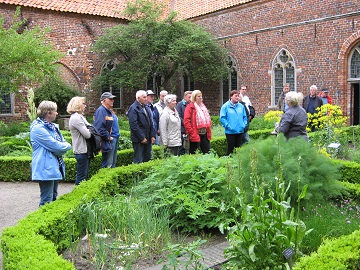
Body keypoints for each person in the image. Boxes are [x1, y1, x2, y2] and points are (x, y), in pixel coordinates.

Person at [30, 101, 72, 206]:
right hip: (45, 168)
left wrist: (62, 146)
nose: (57, 113)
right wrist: (67, 146)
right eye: (55, 111)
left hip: (53, 166)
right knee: (46, 200)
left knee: (53, 197)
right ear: (48, 113)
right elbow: (56, 146)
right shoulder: (38, 129)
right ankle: (41, 222)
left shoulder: (53, 127)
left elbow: (60, 144)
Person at [67, 96, 92, 185]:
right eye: (83, 104)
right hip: (81, 150)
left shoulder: (80, 117)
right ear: (77, 105)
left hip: (84, 150)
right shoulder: (76, 118)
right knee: (81, 177)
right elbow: (88, 134)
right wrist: (90, 129)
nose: (85, 106)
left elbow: (90, 129)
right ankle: (78, 196)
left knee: (83, 175)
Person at [128, 90, 156, 163]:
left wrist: (152, 135)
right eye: (144, 97)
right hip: (139, 139)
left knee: (147, 158)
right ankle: (138, 174)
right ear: (138, 98)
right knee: (138, 159)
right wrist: (142, 137)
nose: (146, 99)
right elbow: (134, 125)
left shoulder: (146, 107)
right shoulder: (133, 108)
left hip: (148, 138)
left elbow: (150, 122)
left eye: (146, 97)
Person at [184, 90, 212, 154]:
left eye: (201, 96)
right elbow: (186, 121)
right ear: (194, 97)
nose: (200, 98)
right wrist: (191, 132)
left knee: (207, 152)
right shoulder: (190, 107)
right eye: (198, 96)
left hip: (204, 133)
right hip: (195, 133)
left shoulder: (203, 107)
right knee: (194, 153)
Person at [220, 90, 248, 155]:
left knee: (238, 148)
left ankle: (237, 162)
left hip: (240, 131)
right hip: (230, 132)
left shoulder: (241, 106)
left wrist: (243, 125)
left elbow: (244, 117)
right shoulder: (225, 106)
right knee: (231, 148)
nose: (237, 97)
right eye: (236, 96)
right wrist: (228, 126)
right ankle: (229, 162)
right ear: (231, 97)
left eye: (238, 96)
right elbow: (222, 118)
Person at [94, 92, 116, 168]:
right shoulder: (101, 111)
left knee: (110, 163)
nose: (112, 100)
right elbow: (99, 128)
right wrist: (108, 137)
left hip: (108, 140)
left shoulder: (107, 111)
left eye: (113, 99)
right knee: (107, 165)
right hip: (105, 141)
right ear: (104, 100)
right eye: (110, 99)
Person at [176, 91, 192, 155]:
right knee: (182, 147)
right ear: (184, 97)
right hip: (183, 129)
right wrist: (186, 123)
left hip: (190, 129)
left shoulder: (192, 105)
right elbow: (178, 116)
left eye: (191, 97)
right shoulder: (180, 105)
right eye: (189, 97)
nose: (190, 99)